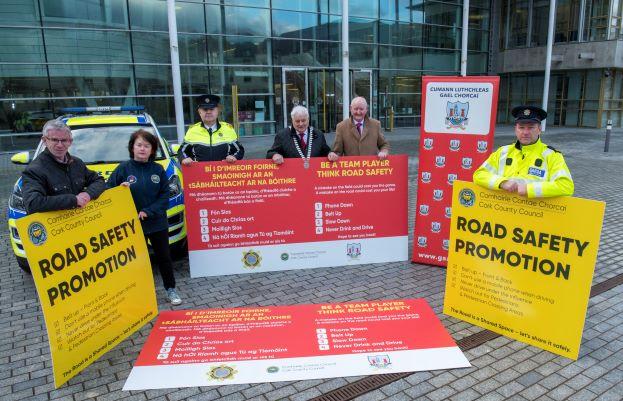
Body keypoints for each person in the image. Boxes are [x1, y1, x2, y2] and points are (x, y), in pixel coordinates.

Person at [107, 129, 182, 305]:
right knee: (135, 261)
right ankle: (138, 294)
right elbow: (107, 190)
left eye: (147, 145)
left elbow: (165, 195)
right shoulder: (123, 168)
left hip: (157, 223)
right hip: (132, 225)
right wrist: (119, 190)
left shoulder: (158, 169)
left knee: (164, 257)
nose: (142, 148)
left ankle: (171, 289)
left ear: (152, 149)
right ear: (132, 148)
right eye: (139, 145)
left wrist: (149, 211)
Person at [473, 105, 574, 198]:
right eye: (521, 127)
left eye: (531, 128)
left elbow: (566, 186)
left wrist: (530, 189)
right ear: (515, 129)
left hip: (534, 214)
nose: (525, 132)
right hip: (503, 212)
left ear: (539, 129)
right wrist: (502, 182)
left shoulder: (552, 155)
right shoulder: (503, 152)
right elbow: (479, 175)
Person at [22, 119, 105, 214]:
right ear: (44, 141)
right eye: (54, 140)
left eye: (64, 140)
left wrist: (88, 194)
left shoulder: (77, 163)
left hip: (82, 222)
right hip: (56, 227)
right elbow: (33, 203)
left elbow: (99, 181)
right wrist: (74, 200)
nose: (60, 145)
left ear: (70, 141)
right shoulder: (34, 170)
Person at [178, 94, 244, 165]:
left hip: (222, 173)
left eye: (212, 109)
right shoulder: (192, 131)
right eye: (205, 109)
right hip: (199, 174)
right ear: (199, 112)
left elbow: (239, 150)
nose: (208, 112)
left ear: (218, 110)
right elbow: (182, 151)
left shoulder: (228, 129)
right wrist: (184, 159)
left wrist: (234, 157)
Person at [267, 105, 333, 166]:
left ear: (308, 119)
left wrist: (330, 154)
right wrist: (274, 155)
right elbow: (270, 153)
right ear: (292, 121)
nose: (301, 124)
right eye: (297, 121)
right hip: (292, 174)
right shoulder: (282, 135)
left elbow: (326, 151)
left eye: (303, 120)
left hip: (314, 173)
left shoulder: (318, 134)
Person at [331, 96, 390, 161]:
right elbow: (337, 152)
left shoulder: (375, 124)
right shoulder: (341, 127)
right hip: (352, 169)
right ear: (351, 108)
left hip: (371, 168)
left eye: (361, 109)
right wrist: (333, 155)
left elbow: (383, 144)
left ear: (366, 109)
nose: (358, 112)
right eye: (355, 109)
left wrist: (384, 151)